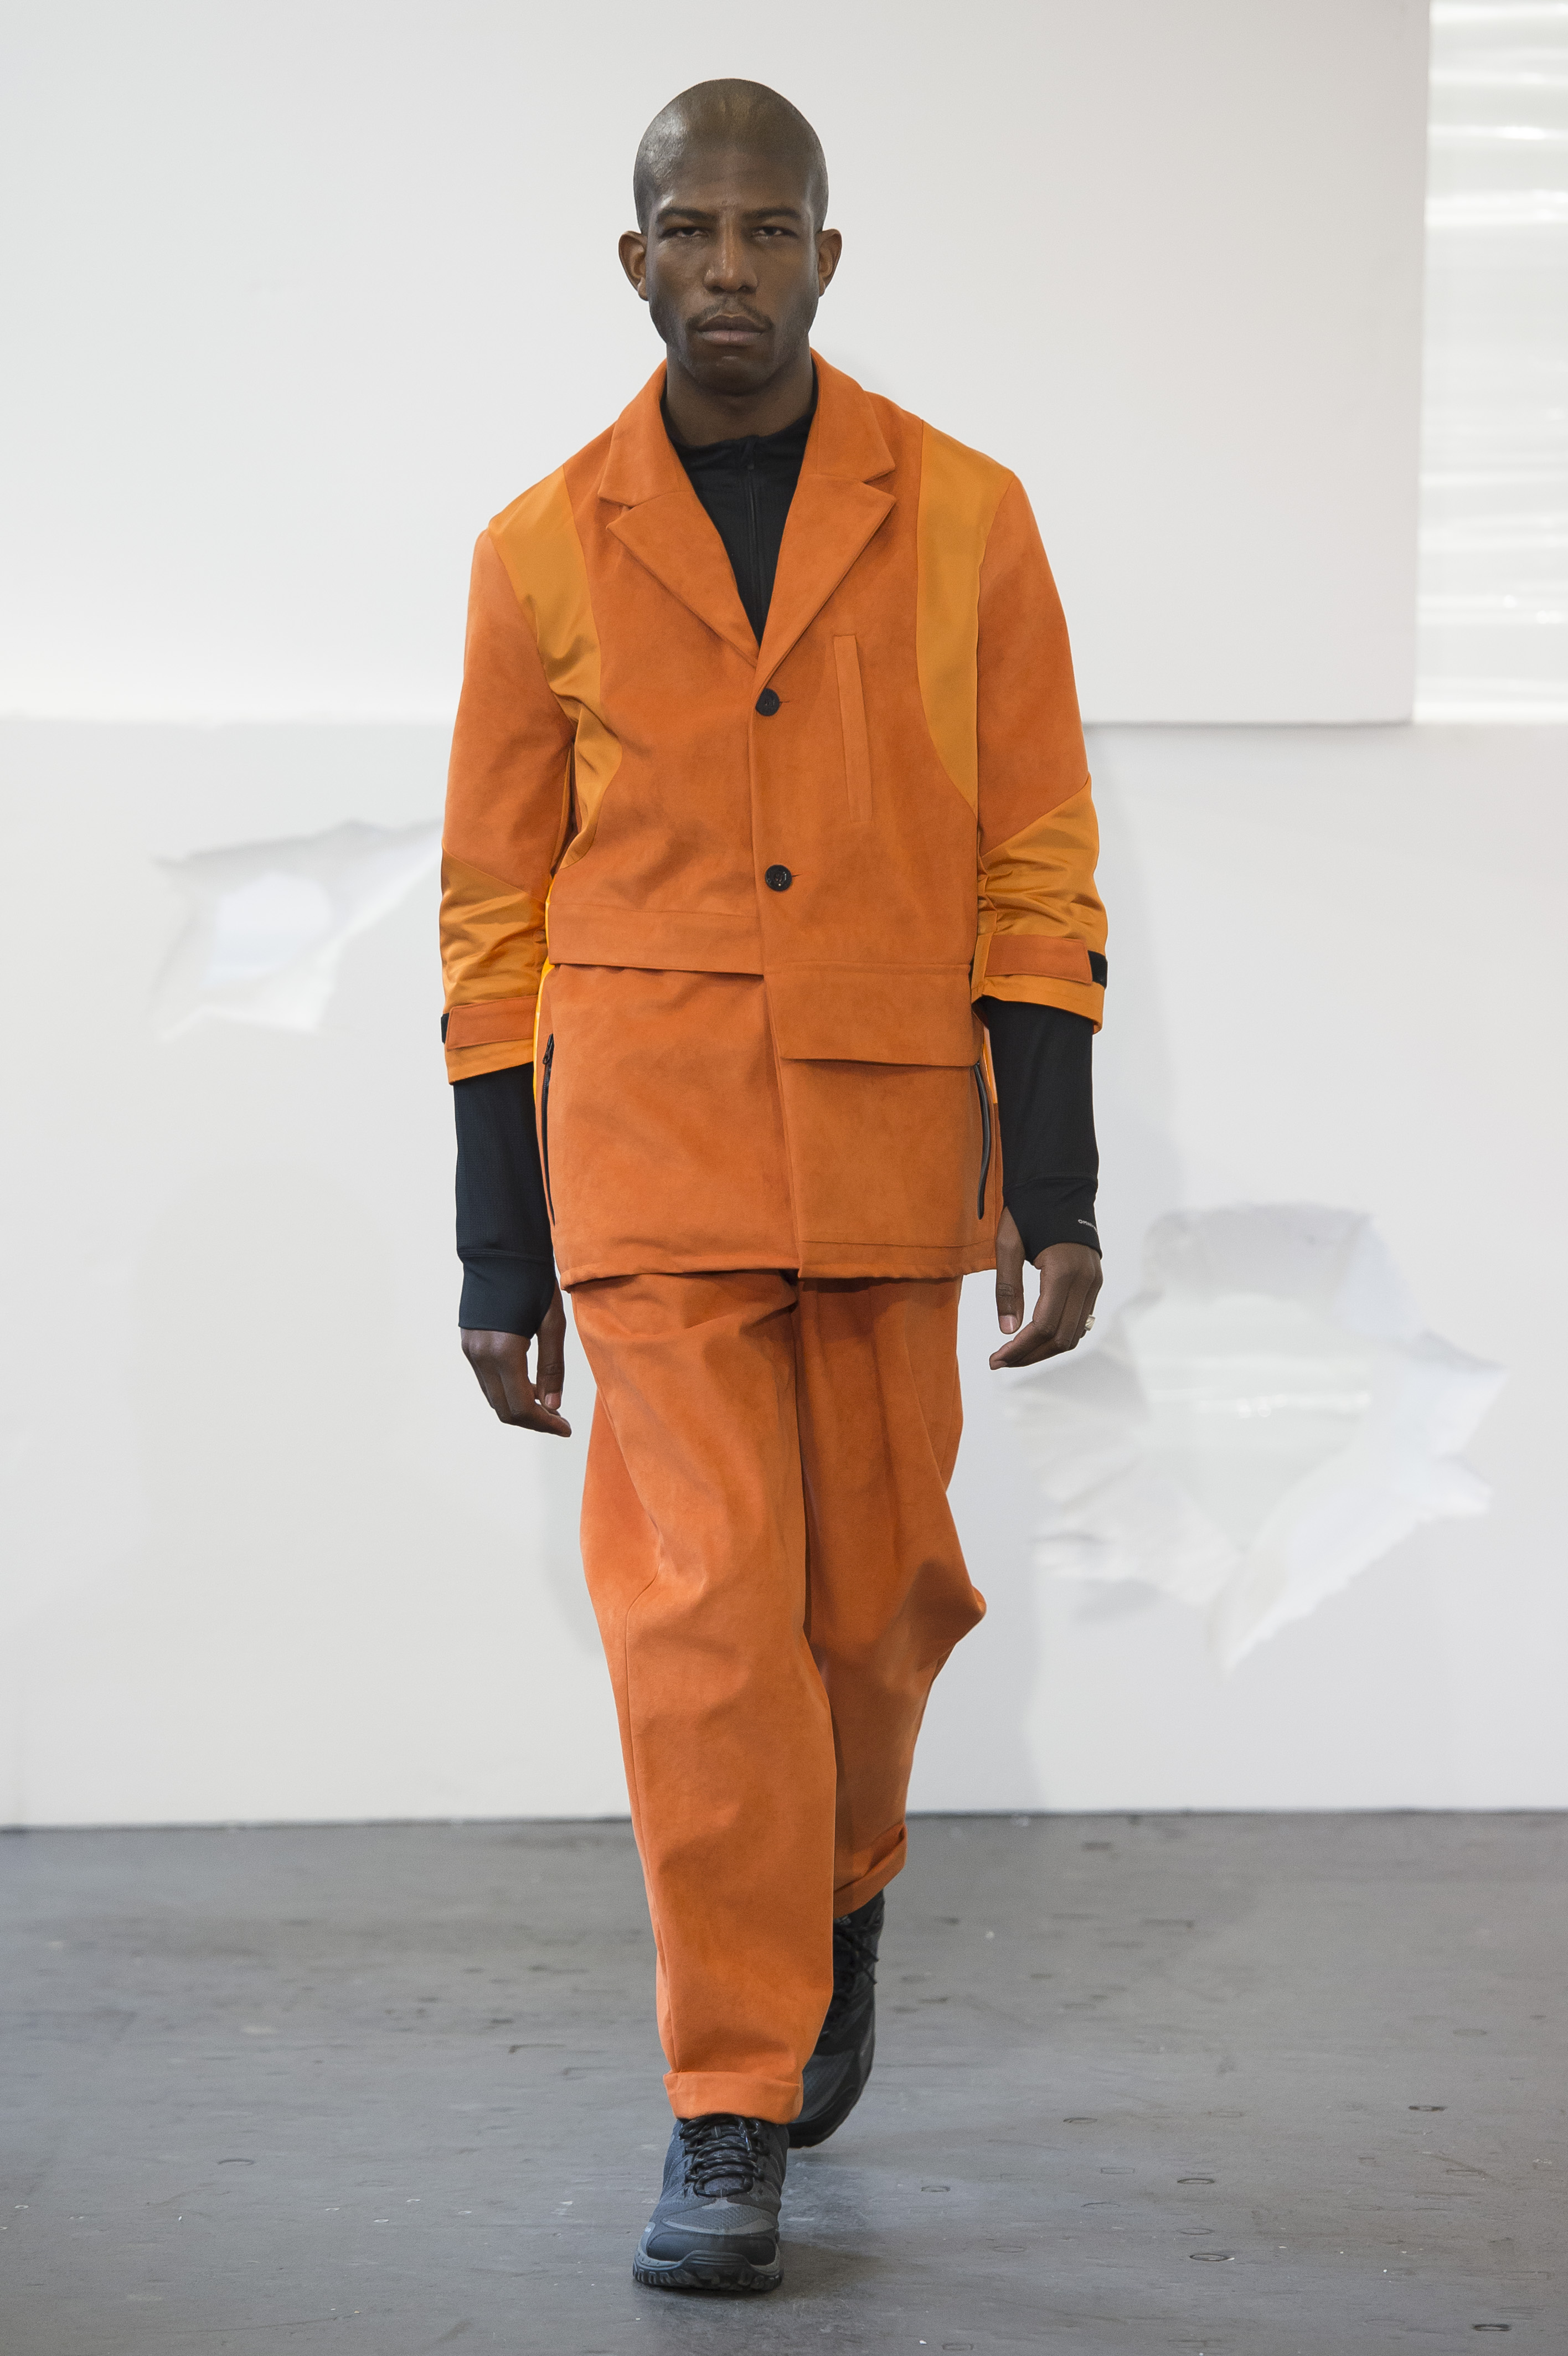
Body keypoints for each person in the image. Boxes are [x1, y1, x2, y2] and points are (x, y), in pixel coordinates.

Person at [438, 78, 1107, 2296]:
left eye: (767, 229)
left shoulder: (971, 517)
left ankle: (837, 1888)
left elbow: (1034, 853)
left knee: (874, 1607)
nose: (727, 266)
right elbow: (491, 913)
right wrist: (501, 1245)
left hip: (895, 1139)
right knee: (703, 1625)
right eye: (689, 228)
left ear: (828, 254)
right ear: (631, 257)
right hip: (649, 1155)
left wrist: (1057, 1179)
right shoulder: (540, 546)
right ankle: (727, 2099)